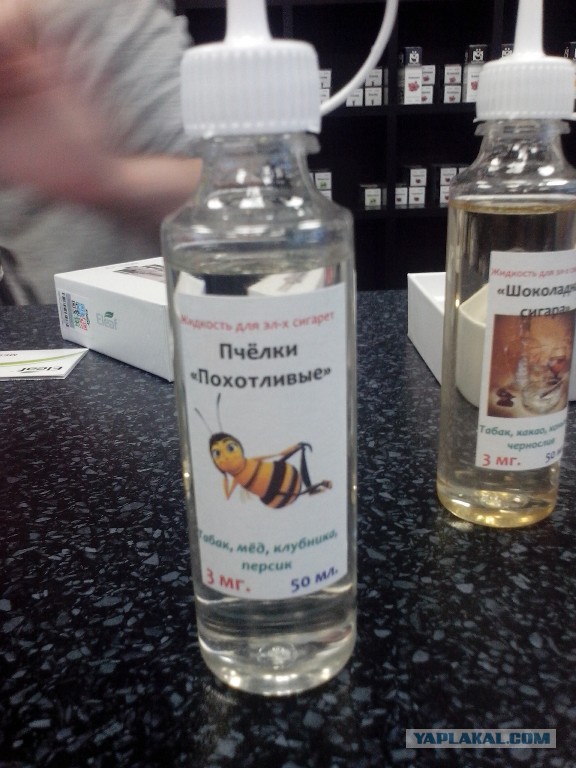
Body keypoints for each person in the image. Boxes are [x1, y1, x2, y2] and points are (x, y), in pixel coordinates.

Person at [0, 0, 201, 304]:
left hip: (165, 319)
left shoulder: (90, 13)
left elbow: (245, 199)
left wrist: (105, 180)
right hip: (44, 321)